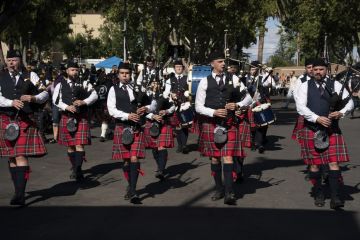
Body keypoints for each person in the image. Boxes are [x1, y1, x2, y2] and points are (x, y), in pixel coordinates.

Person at [195, 51, 252, 205]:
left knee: (228, 157)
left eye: (223, 61)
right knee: (215, 157)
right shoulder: (204, 82)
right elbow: (198, 106)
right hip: (211, 123)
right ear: (212, 63)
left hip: (229, 122)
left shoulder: (233, 78)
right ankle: (218, 188)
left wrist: (238, 104)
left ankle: (229, 192)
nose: (223, 64)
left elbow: (249, 98)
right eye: (220, 61)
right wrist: (213, 112)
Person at [296, 58, 354, 209]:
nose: (318, 72)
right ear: (312, 71)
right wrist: (317, 118)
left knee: (333, 163)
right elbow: (301, 107)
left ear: (326, 70)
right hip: (312, 129)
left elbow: (350, 102)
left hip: (332, 129)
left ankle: (335, 198)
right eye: (315, 70)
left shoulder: (335, 84)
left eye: (321, 69)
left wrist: (341, 113)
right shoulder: (304, 86)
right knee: (315, 165)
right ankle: (319, 192)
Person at [0, 50, 48, 206]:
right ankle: (17, 191)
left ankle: (20, 195)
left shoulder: (31, 75)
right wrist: (10, 102)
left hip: (24, 119)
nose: (11, 63)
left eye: (14, 60)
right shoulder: (1, 76)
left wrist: (33, 97)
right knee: (11, 157)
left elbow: (45, 93)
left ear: (20, 61)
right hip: (6, 119)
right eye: (9, 60)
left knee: (20, 155)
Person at [107, 62, 156, 203]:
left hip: (136, 128)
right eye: (122, 73)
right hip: (122, 127)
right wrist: (127, 115)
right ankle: (130, 185)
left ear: (130, 74)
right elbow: (111, 109)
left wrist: (146, 109)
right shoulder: (113, 89)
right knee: (126, 161)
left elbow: (152, 103)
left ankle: (134, 191)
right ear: (118, 74)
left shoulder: (138, 88)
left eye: (127, 73)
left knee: (134, 158)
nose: (124, 75)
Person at [52, 60, 98, 182]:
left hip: (81, 117)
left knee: (79, 144)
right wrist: (66, 107)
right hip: (67, 117)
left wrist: (84, 102)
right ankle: (74, 166)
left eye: (77, 70)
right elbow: (56, 100)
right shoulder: (60, 84)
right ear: (67, 71)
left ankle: (78, 169)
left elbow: (95, 95)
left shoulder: (84, 82)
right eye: (72, 70)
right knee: (70, 146)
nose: (75, 72)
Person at [144, 80, 175, 180]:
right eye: (153, 83)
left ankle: (161, 170)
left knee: (161, 146)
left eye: (157, 83)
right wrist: (152, 116)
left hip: (163, 123)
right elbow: (141, 110)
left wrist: (166, 111)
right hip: (151, 122)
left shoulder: (165, 95)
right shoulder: (146, 96)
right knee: (154, 148)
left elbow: (173, 107)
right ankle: (159, 166)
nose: (155, 85)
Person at [247, 61, 275, 153]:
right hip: (249, 104)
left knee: (261, 123)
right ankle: (253, 141)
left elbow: (272, 85)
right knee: (252, 125)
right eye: (251, 69)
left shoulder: (262, 78)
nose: (253, 70)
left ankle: (258, 143)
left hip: (260, 103)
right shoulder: (245, 78)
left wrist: (267, 71)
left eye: (255, 68)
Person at [164, 59, 191, 153]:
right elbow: (166, 93)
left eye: (180, 67)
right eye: (177, 67)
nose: (179, 68)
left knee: (185, 125)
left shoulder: (187, 78)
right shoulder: (169, 80)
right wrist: (171, 94)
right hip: (174, 105)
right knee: (177, 126)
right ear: (174, 68)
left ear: (183, 68)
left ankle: (184, 145)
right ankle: (180, 145)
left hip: (185, 104)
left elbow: (190, 90)